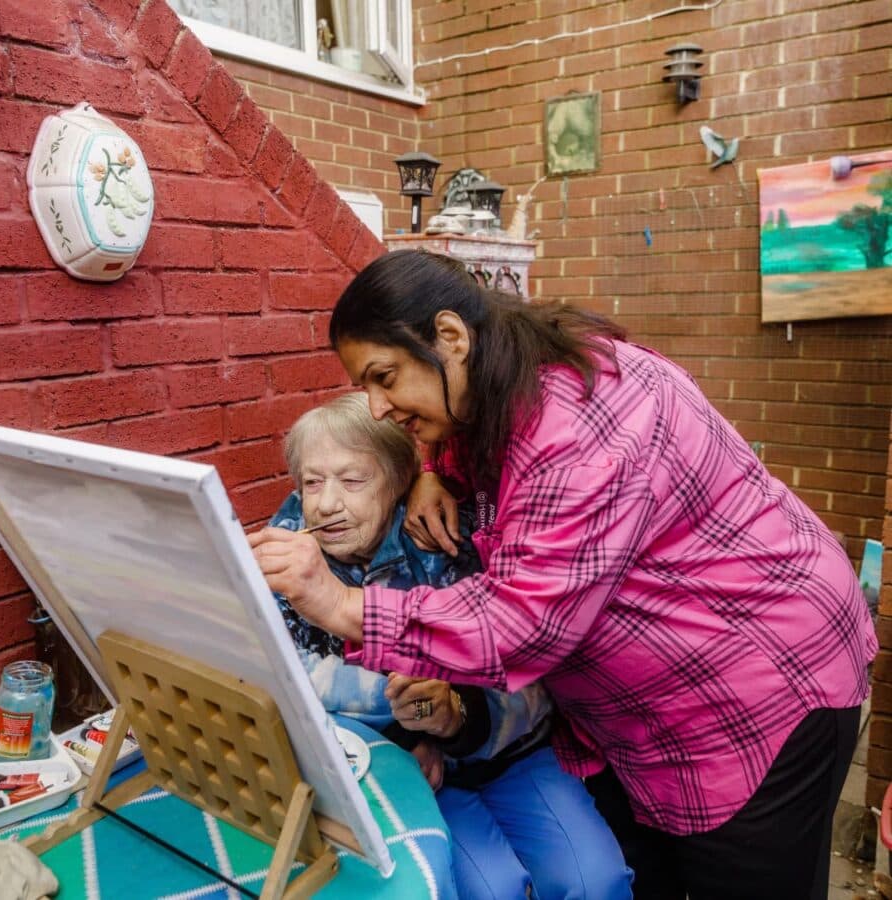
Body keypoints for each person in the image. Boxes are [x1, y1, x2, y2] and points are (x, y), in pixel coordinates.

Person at [250, 249, 878, 900]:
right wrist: (435, 468)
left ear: (452, 337)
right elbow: (474, 432)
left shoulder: (582, 425)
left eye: (385, 377)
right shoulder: (504, 376)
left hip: (760, 686)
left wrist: (338, 603)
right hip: (642, 717)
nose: (378, 408)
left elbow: (520, 625)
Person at [270, 392, 633, 900]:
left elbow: (529, 666)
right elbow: (281, 670)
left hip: (515, 752)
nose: (327, 503)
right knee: (492, 890)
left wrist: (460, 714)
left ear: (399, 484)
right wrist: (400, 723)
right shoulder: (293, 547)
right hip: (418, 773)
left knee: (594, 881)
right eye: (312, 482)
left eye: (353, 481)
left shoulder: (453, 538)